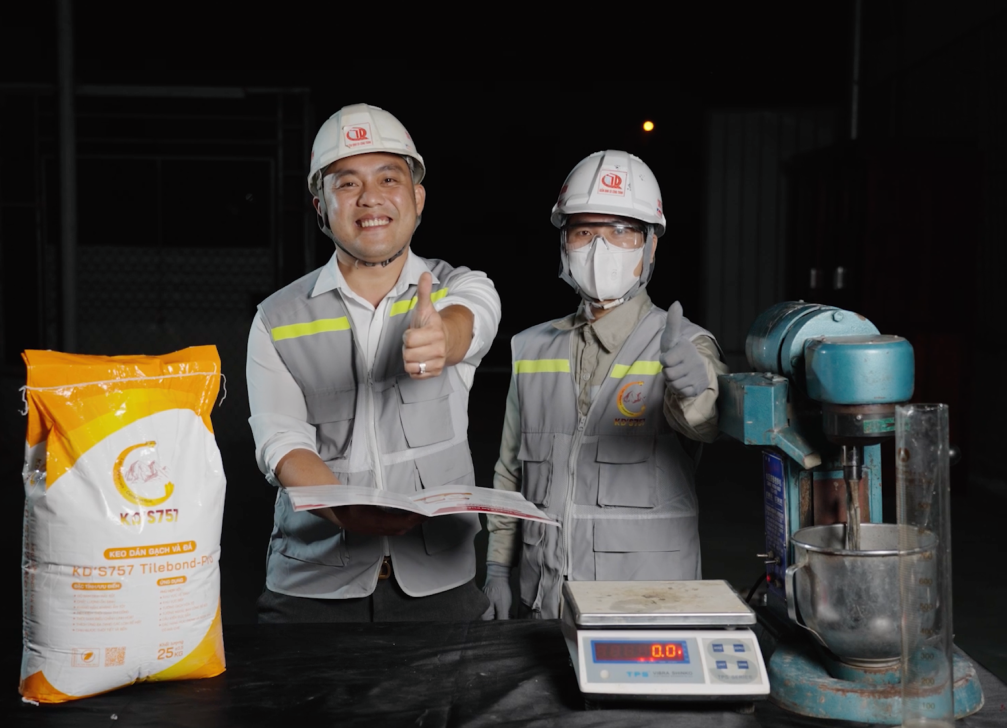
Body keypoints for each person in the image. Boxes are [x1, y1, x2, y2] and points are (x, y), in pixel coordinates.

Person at [247, 103, 501, 622]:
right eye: (347, 184)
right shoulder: (276, 318)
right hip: (313, 585)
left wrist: (442, 337)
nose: (370, 198)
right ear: (320, 206)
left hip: (440, 581)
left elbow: (472, 319)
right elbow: (281, 440)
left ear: (417, 197)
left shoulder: (458, 287)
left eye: (388, 178)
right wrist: (344, 508)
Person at [481, 150, 728, 620]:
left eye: (621, 231)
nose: (600, 248)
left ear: (650, 247)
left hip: (649, 613)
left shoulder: (682, 344)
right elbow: (511, 472)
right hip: (546, 605)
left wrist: (695, 391)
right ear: (564, 245)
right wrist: (497, 568)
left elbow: (704, 423)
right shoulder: (532, 348)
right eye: (584, 232)